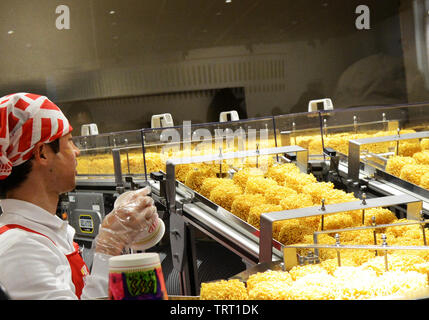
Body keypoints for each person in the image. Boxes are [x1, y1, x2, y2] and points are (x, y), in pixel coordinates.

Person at [0, 93, 159, 299]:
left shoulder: (43, 232)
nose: (77, 152)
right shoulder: (20, 249)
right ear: (42, 153)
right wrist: (108, 247)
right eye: (70, 141)